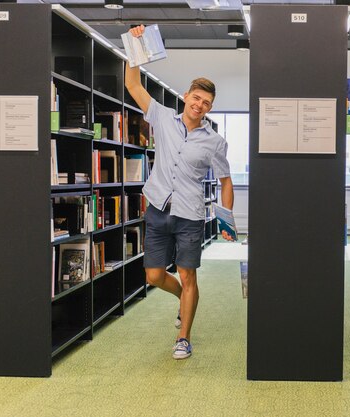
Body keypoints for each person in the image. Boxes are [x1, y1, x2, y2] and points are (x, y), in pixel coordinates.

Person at [125, 25, 235, 360]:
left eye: (207, 103)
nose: (200, 105)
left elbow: (225, 180)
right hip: (158, 209)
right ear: (187, 96)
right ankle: (182, 302)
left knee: (189, 275)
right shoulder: (161, 116)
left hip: (190, 215)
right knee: (155, 276)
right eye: (197, 98)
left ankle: (184, 337)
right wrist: (137, 42)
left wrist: (226, 219)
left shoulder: (215, 142)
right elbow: (132, 83)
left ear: (210, 108)